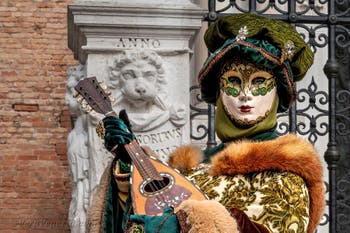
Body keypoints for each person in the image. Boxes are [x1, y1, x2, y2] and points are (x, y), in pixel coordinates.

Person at [86, 13, 325, 233]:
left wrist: (186, 224)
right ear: (219, 91)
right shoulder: (190, 171)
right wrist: (127, 166)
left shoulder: (287, 171)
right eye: (233, 81)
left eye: (259, 82)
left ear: (278, 93)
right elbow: (138, 218)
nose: (246, 94)